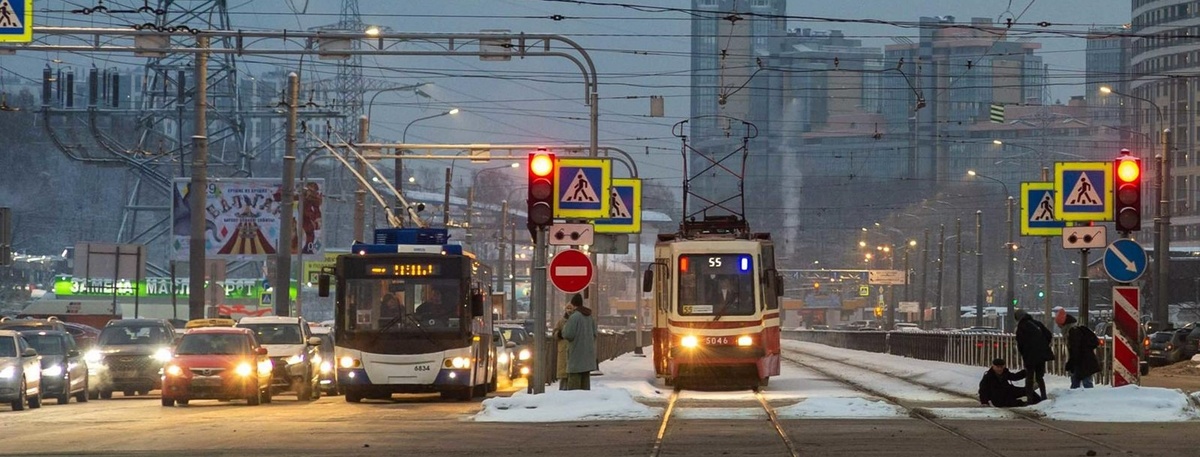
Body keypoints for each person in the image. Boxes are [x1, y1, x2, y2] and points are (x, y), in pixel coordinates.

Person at [1014, 309, 1054, 403]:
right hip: (1041, 354)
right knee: (1040, 377)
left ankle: (1030, 399)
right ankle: (1043, 397)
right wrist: (1043, 345)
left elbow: (1020, 343)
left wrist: (1023, 353)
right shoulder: (1037, 323)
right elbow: (1048, 335)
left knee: (1029, 376)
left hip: (1029, 355)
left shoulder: (1021, 327)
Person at [561, 293, 597, 391]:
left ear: (573, 305)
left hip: (576, 358)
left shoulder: (574, 317)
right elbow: (594, 333)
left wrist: (565, 327)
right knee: (585, 388)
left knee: (574, 389)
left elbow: (568, 334)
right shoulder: (589, 317)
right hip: (587, 358)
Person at [1056, 309, 1100, 389]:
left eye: (1059, 325)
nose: (1059, 327)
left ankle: (1086, 395)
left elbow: (1075, 349)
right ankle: (1083, 394)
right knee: (1082, 382)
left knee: (1083, 383)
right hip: (1085, 361)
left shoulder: (1073, 332)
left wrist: (1071, 363)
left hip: (1082, 362)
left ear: (1064, 325)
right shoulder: (1075, 330)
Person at [553, 296, 579, 390]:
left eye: (570, 308)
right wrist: (559, 334)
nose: (569, 310)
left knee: (572, 374)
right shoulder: (561, 321)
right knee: (563, 374)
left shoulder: (576, 320)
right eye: (567, 308)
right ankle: (562, 391)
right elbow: (555, 333)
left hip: (573, 349)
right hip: (563, 350)